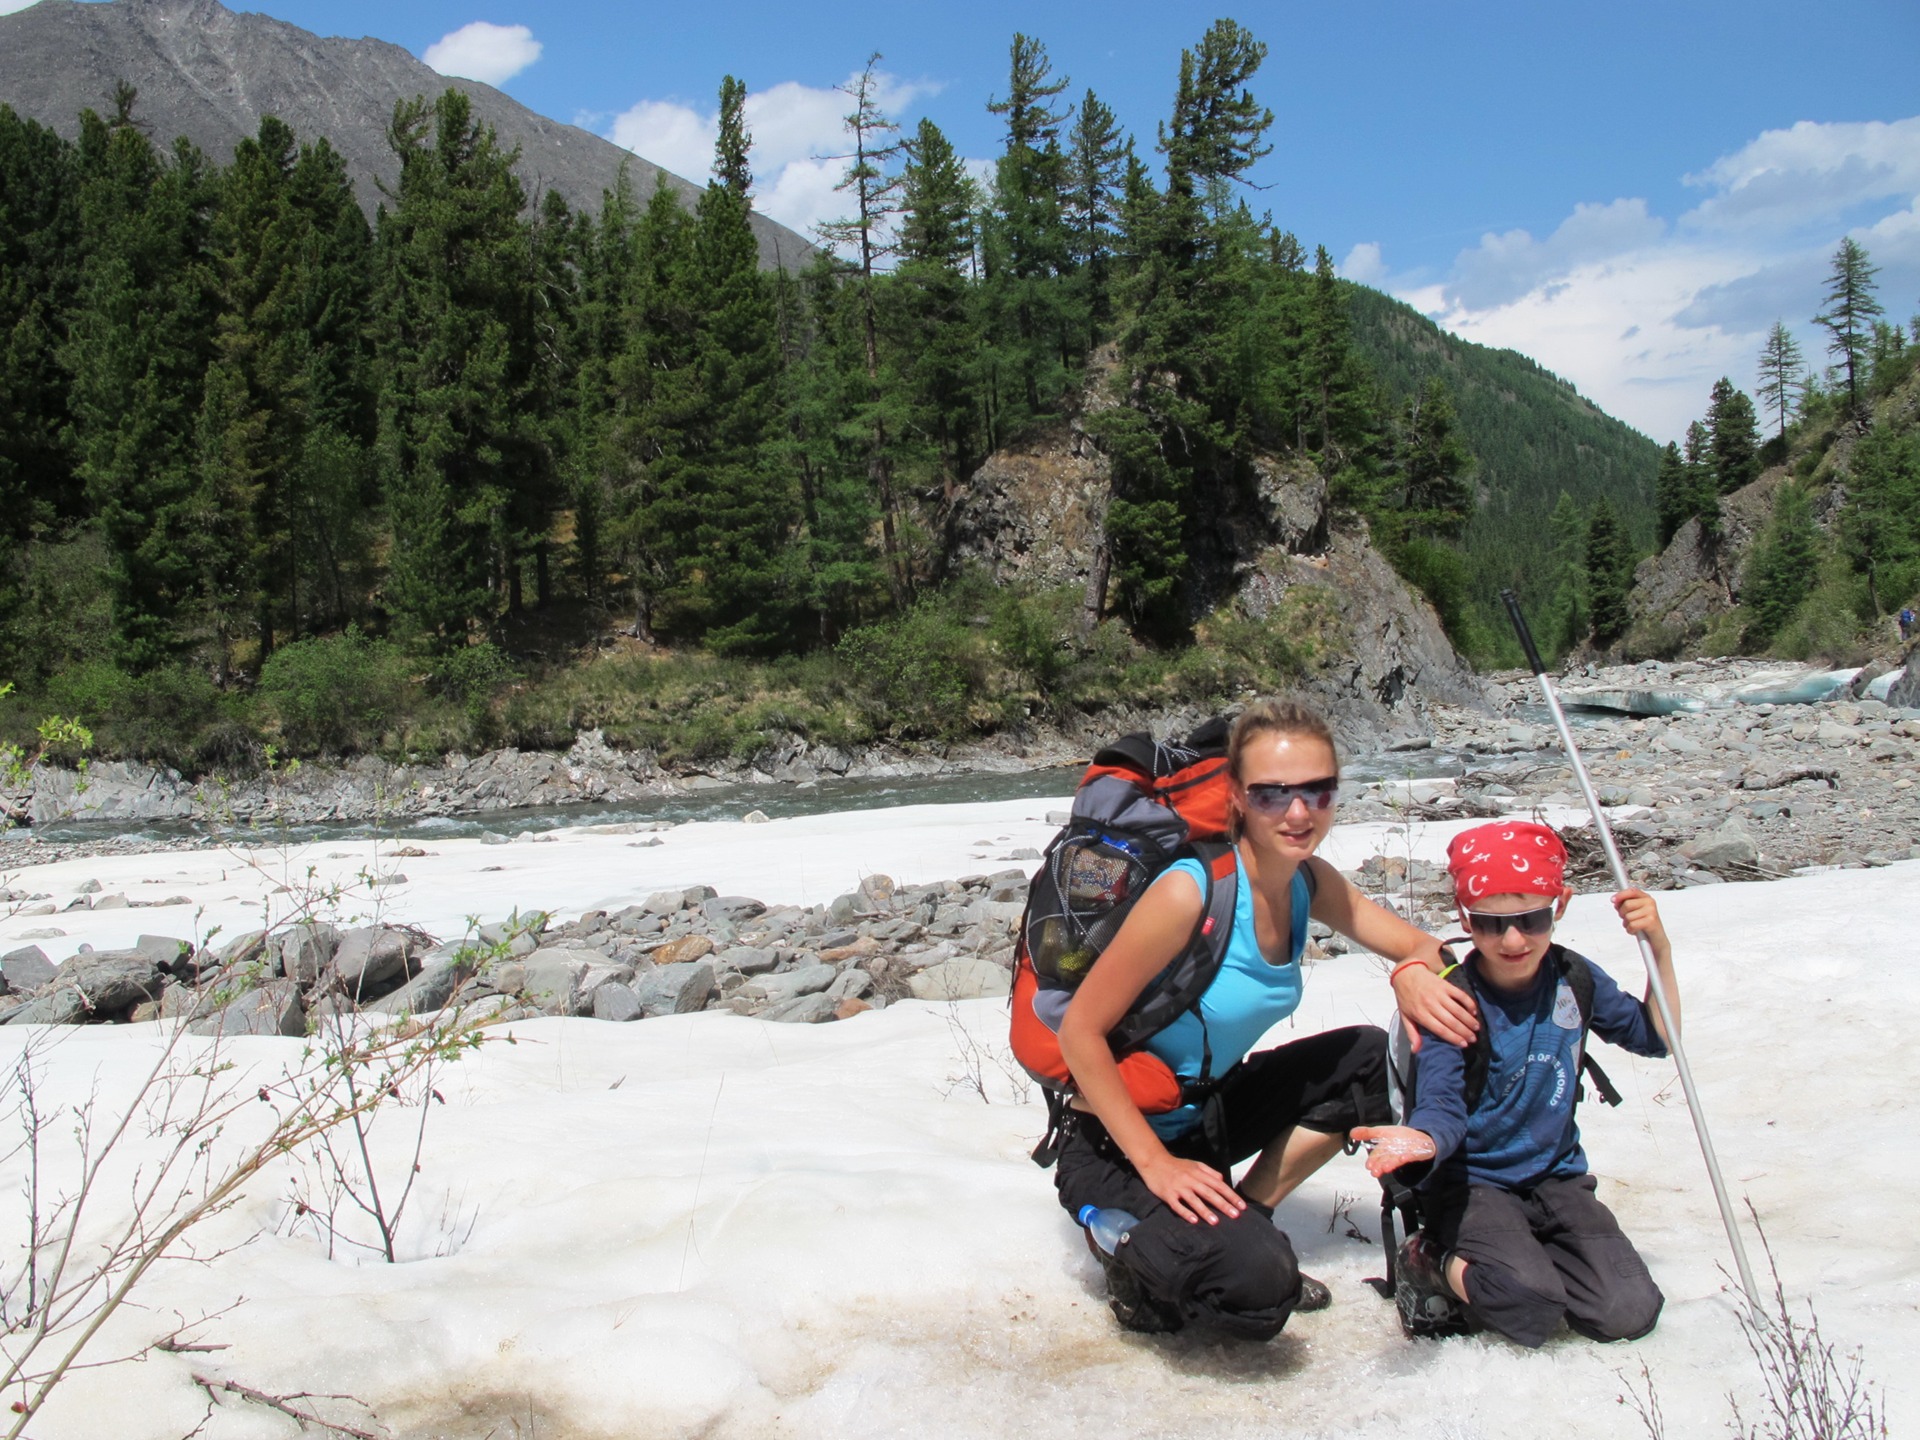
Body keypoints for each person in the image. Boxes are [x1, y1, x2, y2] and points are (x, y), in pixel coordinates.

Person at [1052, 699, 1480, 1338]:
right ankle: (1128, 1252)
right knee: (1256, 1290)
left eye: (1318, 791)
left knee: (1369, 1058)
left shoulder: (1310, 882)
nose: (1300, 812)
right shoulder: (1191, 891)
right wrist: (1155, 1163)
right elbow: (1079, 1032)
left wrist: (1409, 974)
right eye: (1273, 793)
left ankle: (1246, 1213)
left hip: (1206, 1117)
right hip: (1117, 1141)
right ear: (1237, 797)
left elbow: (1425, 948)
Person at [1354, 821, 1676, 1347]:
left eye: (1531, 918)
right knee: (1530, 1307)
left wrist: (1658, 948)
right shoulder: (1450, 999)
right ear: (1463, 917)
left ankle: (1528, 1254)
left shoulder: (1575, 977)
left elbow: (1656, 1038)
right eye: (1488, 923)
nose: (1512, 940)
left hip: (1556, 1176)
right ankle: (1428, 1258)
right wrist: (1426, 1139)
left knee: (1628, 1312)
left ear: (1560, 904)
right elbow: (1440, 1101)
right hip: (1473, 1182)